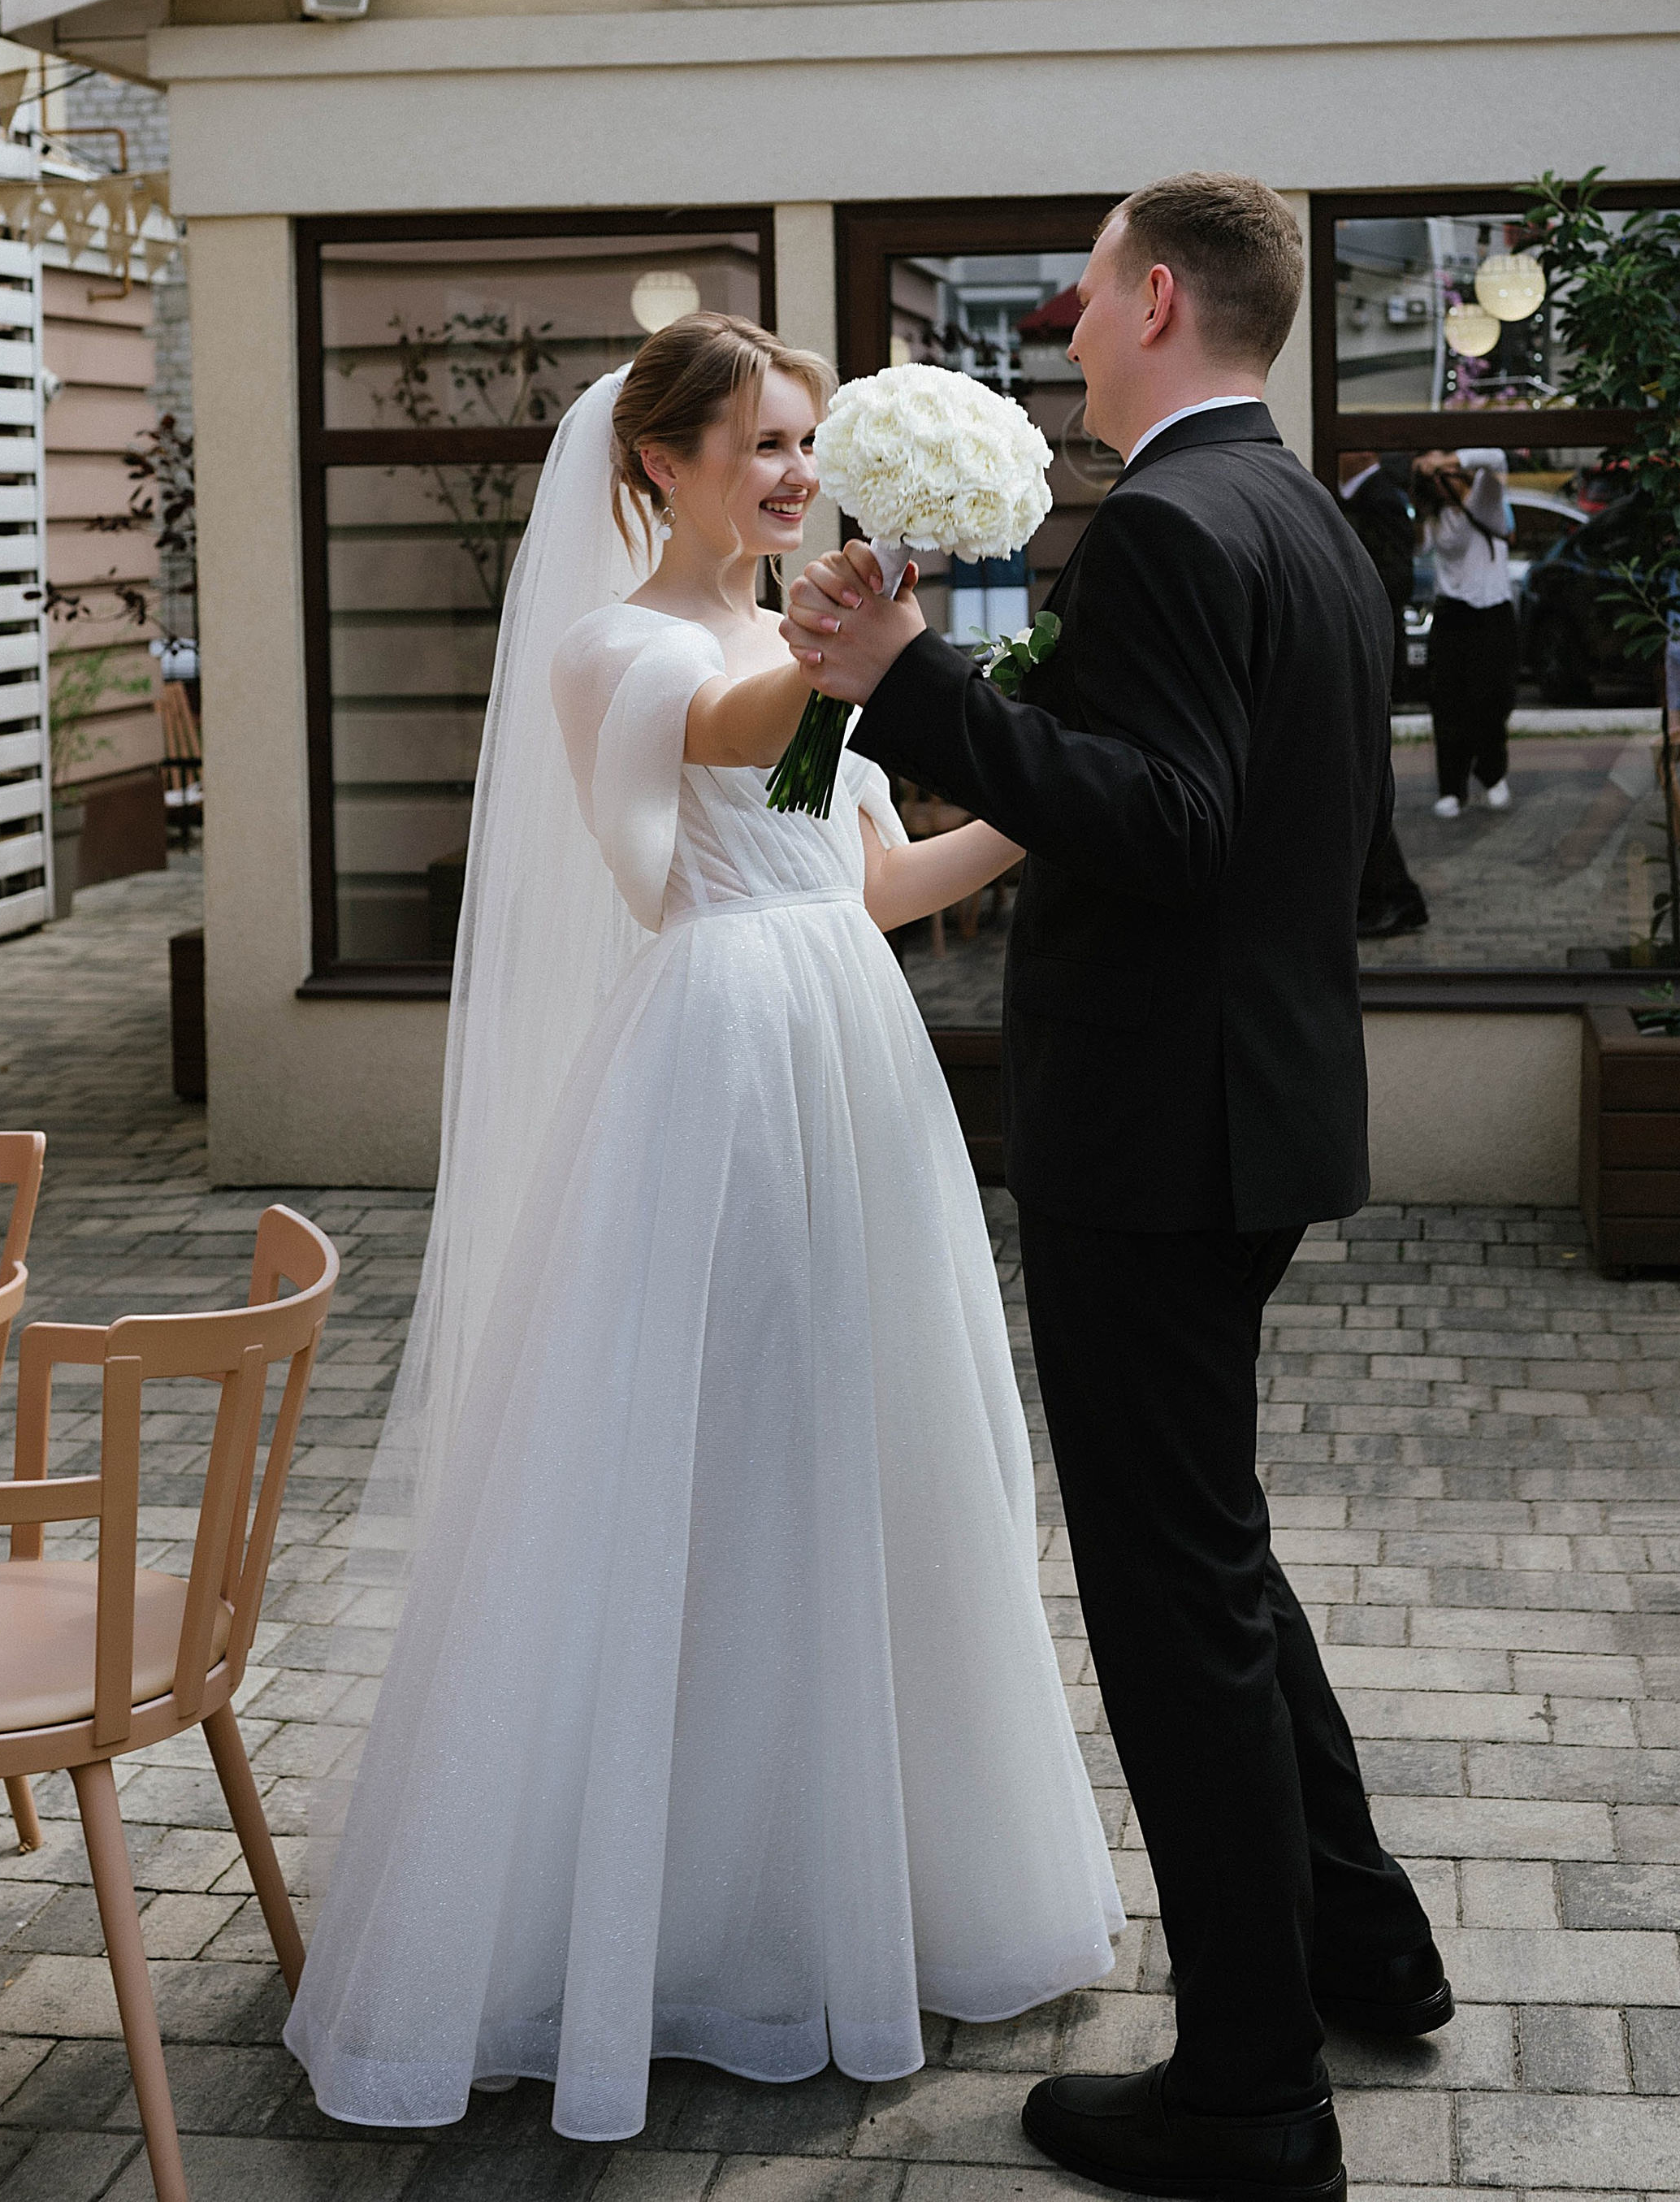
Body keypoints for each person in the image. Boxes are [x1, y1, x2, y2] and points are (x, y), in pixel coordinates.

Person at [284, 317, 1121, 2144]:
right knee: (714, 1462)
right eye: (761, 442)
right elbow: (754, 736)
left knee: (867, 1450)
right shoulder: (620, 647)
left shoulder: (799, 635)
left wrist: (1057, 800)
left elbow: (875, 874)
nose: (795, 469)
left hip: (850, 1050)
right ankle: (660, 1922)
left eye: (812, 438)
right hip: (723, 1058)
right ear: (655, 465)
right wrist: (877, 616)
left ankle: (852, 1880)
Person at [787, 177, 1448, 2202]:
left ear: (1157, 294)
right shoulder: (1306, 516)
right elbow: (1329, 844)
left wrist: (907, 679)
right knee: (1212, 1558)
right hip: (1247, 1112)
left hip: (1154, 1134)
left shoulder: (1168, 520)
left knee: (1172, 1607)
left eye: (1085, 282)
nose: (1064, 316)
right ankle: (1359, 1941)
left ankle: (1247, 2087)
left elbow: (1163, 822)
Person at [1336, 449, 1430, 938]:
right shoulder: (1352, 497)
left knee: (1364, 782)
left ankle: (1395, 896)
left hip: (1369, 651)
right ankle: (1384, 894)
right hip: (1355, 651)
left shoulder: (1381, 500)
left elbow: (1396, 578)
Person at [1414, 444, 1518, 817]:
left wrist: (1446, 461)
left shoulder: (1484, 502)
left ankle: (1493, 773)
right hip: (1452, 613)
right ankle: (1451, 788)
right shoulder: (1435, 518)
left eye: (1449, 472)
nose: (1442, 482)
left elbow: (1497, 460)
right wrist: (1420, 488)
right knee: (1447, 702)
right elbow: (1417, 545)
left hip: (1492, 611)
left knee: (1493, 699)